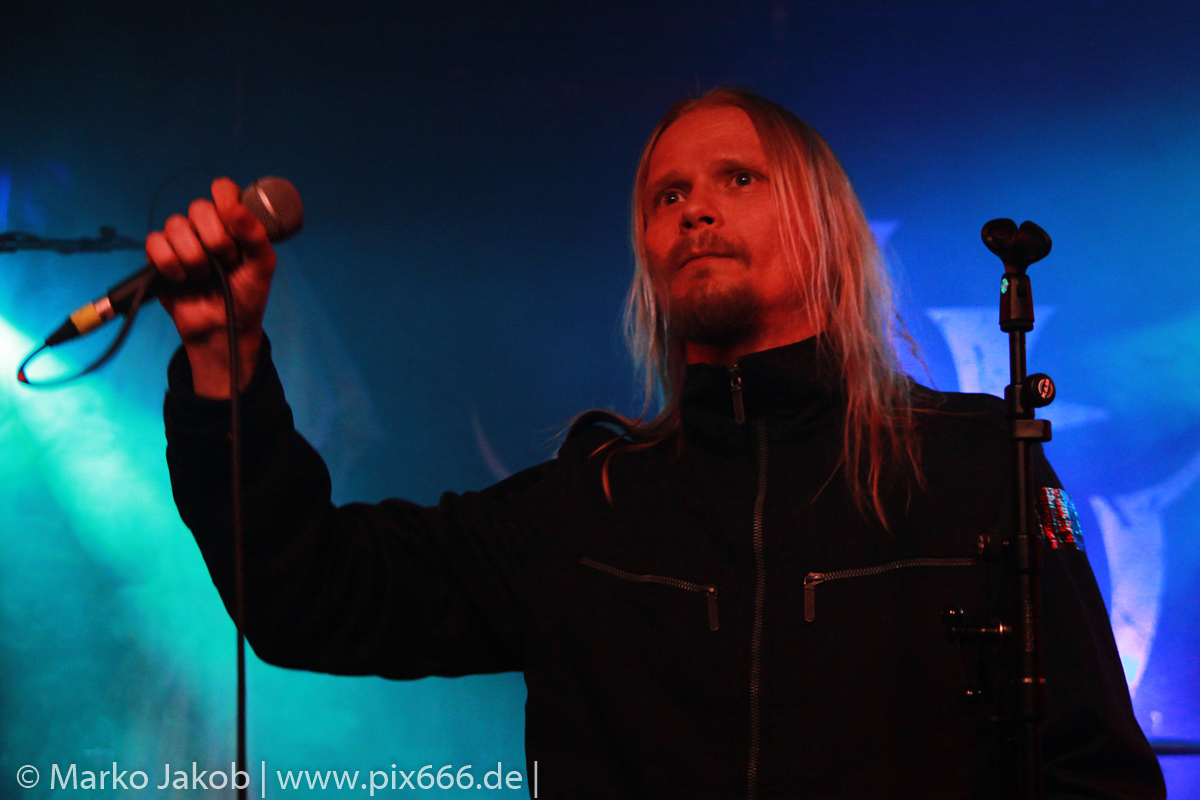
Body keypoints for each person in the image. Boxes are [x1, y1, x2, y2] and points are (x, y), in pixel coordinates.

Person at [150, 88, 1165, 798]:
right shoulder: (587, 507)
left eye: (738, 177)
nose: (696, 210)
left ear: (826, 227)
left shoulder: (975, 463)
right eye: (666, 196)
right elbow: (312, 593)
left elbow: (1096, 772)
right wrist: (223, 362)